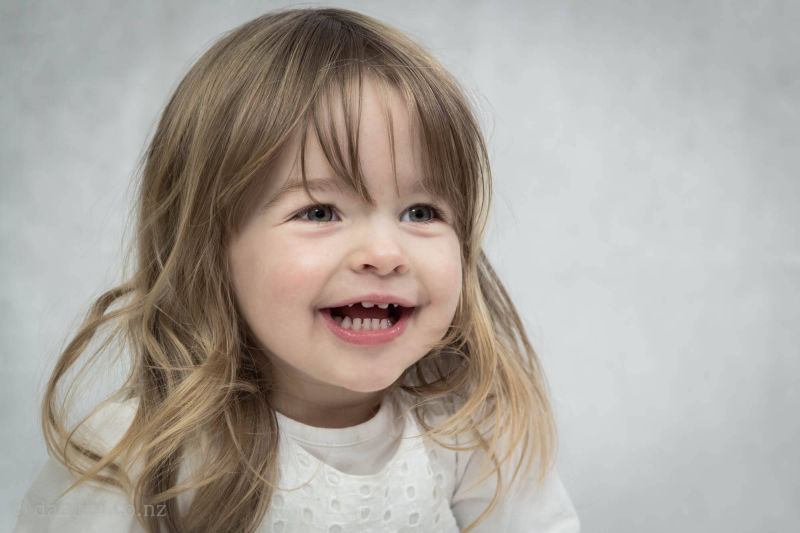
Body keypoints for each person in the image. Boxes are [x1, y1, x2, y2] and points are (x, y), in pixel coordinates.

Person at [14, 7, 580, 533]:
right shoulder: (138, 452)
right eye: (319, 211)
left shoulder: (470, 431)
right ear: (209, 245)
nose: (385, 253)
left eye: (421, 212)